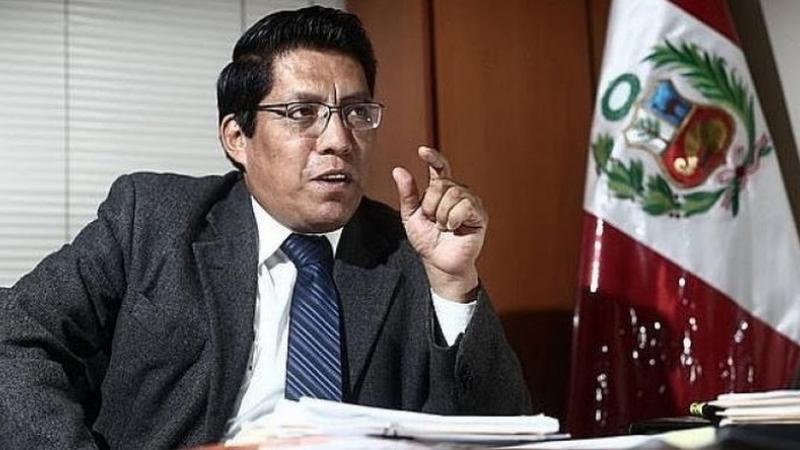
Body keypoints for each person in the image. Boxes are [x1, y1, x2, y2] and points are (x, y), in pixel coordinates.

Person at [0, 6, 532, 449]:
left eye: (356, 113)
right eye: (302, 112)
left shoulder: (412, 250)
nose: (339, 140)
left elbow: (499, 432)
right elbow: (17, 336)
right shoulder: (152, 219)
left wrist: (454, 286)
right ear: (237, 137)